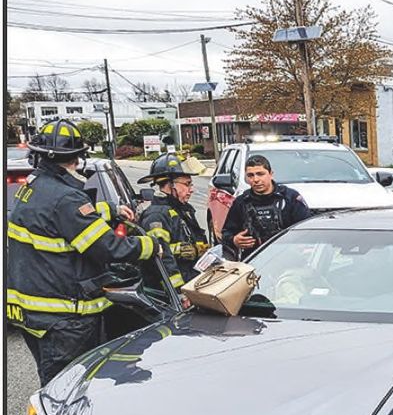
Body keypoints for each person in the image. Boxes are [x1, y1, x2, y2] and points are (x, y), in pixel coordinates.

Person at [6, 120, 157, 385]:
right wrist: (151, 246)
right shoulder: (67, 198)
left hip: (33, 313)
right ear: (77, 158)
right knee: (66, 389)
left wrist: (108, 210)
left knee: (54, 381)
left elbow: (58, 221)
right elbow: (110, 248)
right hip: (65, 319)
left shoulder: (30, 188)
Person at [139, 152, 209, 288]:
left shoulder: (183, 209)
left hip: (194, 282)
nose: (192, 189)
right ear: (170, 185)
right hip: (174, 294)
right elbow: (161, 258)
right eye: (187, 184)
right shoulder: (156, 215)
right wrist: (179, 293)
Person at [221, 154, 311, 259]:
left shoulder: (290, 198)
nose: (256, 179)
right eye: (250, 175)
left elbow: (307, 229)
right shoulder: (241, 202)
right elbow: (226, 233)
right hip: (254, 260)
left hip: (289, 259)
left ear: (271, 174)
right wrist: (235, 240)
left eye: (260, 174)